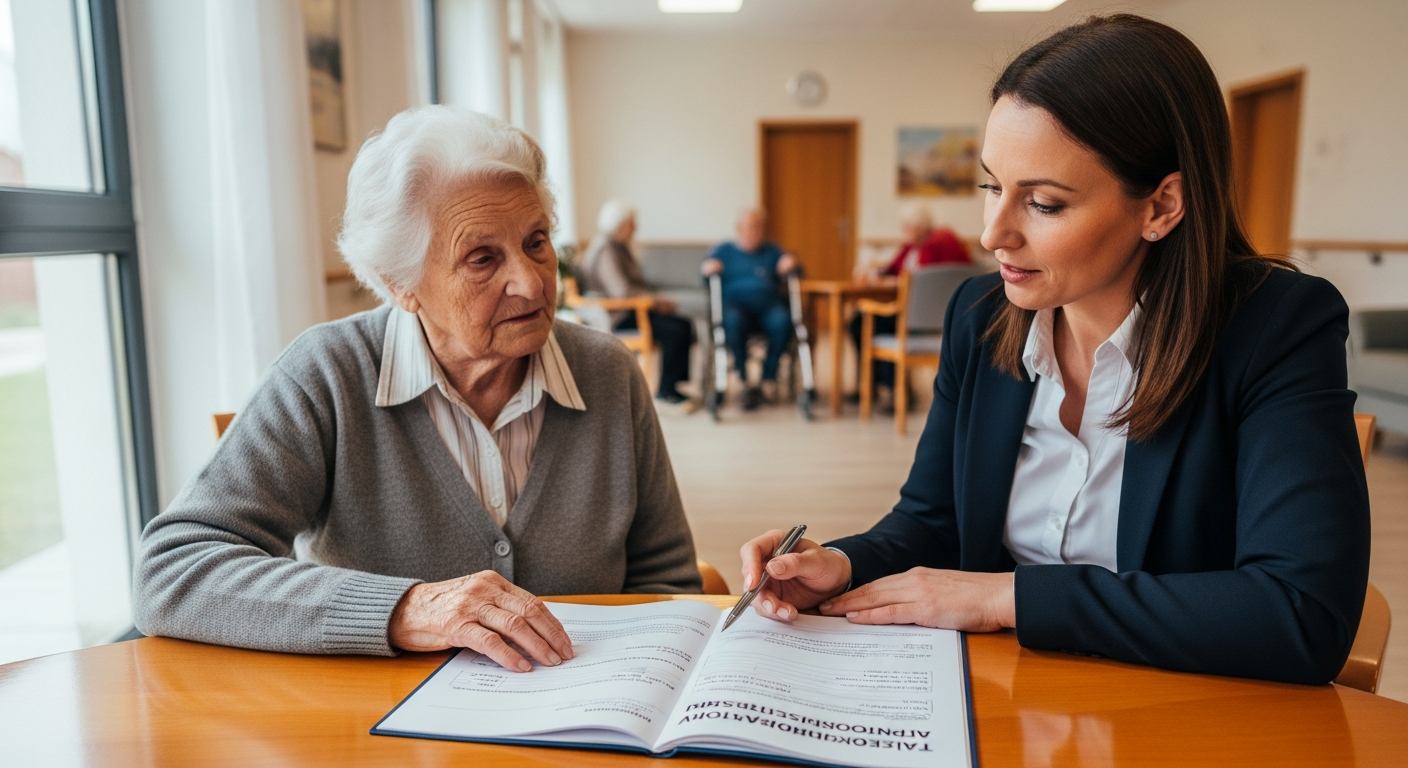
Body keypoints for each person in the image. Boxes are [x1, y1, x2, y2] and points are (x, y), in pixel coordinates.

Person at [737, 15, 1369, 686]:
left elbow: (1300, 616)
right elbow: (932, 522)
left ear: (1162, 206)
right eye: (991, 187)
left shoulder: (1277, 328)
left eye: (1041, 202)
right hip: (1006, 697)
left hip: (1178, 711)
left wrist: (1003, 597)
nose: (993, 234)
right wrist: (843, 562)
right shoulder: (980, 318)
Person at [134, 106, 702, 672]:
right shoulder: (327, 374)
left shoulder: (608, 372)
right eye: (482, 258)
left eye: (536, 242)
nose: (530, 283)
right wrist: (405, 608)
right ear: (401, 284)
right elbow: (172, 571)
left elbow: (667, 579)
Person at [849, 202, 972, 408]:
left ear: (921, 225)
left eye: (907, 226)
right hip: (916, 313)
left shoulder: (940, 241)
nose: (904, 231)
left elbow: (924, 280)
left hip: (928, 316)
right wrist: (876, 269)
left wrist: (896, 281)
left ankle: (894, 389)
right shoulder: (913, 244)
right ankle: (874, 386)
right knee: (859, 322)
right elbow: (894, 269)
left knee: (867, 324)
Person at [580, 200, 695, 405]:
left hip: (633, 310)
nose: (635, 228)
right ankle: (666, 391)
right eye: (632, 224)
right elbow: (621, 292)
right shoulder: (607, 250)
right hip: (620, 316)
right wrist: (654, 302)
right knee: (675, 330)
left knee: (682, 323)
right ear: (620, 226)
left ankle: (672, 386)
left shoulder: (619, 247)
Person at [701, 208, 798, 410]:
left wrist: (790, 263)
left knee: (783, 321)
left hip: (768, 307)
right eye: (748, 227)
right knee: (731, 322)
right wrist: (708, 268)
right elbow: (704, 274)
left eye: (757, 227)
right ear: (738, 229)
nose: (753, 231)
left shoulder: (772, 251)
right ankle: (743, 378)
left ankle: (767, 379)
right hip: (735, 306)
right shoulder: (723, 251)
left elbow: (796, 269)